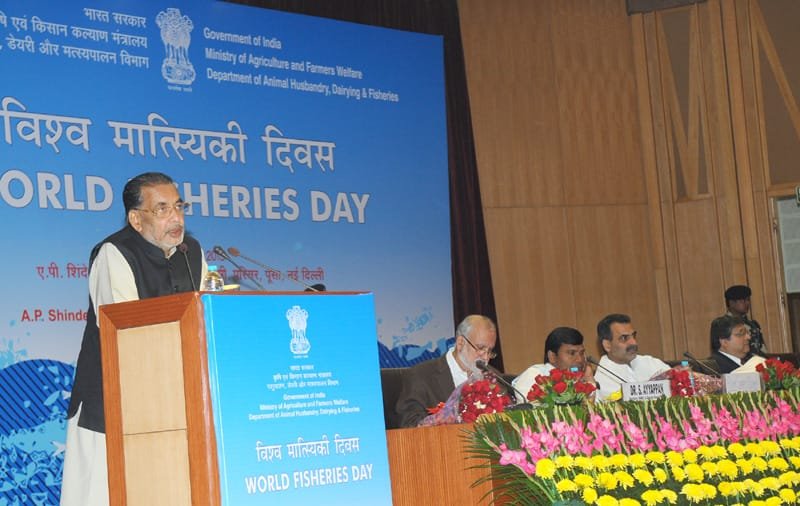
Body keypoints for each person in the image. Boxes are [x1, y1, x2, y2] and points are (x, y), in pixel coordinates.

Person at [61, 172, 206, 506]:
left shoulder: (192, 252)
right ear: (136, 219)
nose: (176, 217)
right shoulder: (115, 253)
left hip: (176, 405)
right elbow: (126, 334)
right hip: (111, 405)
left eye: (179, 206)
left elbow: (203, 318)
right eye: (162, 209)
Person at [395, 314, 497, 428]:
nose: (486, 357)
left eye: (490, 351)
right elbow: (409, 423)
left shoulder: (494, 378)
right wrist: (440, 419)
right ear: (461, 343)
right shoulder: (421, 376)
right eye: (481, 348)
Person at [595, 313, 670, 400]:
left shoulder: (650, 362)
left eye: (633, 336)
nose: (634, 342)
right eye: (624, 338)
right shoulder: (601, 381)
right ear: (607, 345)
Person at [512, 327, 593, 403]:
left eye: (582, 353)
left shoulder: (580, 378)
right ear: (552, 356)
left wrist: (590, 380)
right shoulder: (533, 376)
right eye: (572, 353)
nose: (580, 359)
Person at [724, 284, 766, 356]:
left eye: (748, 300)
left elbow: (762, 350)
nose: (747, 303)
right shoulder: (723, 324)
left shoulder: (753, 324)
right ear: (732, 303)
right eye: (743, 301)